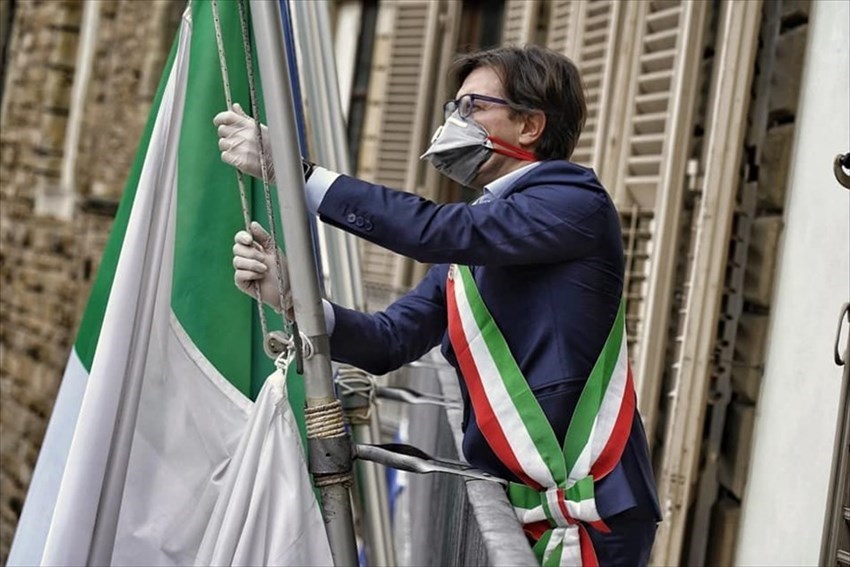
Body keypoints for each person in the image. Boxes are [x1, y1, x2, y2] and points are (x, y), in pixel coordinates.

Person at [216, 45, 661, 566]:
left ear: (530, 126)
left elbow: (430, 231)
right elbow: (390, 340)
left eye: (472, 106)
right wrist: (294, 298)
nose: (455, 121)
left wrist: (295, 173)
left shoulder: (571, 199)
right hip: (521, 511)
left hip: (589, 511)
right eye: (453, 108)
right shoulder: (488, 228)